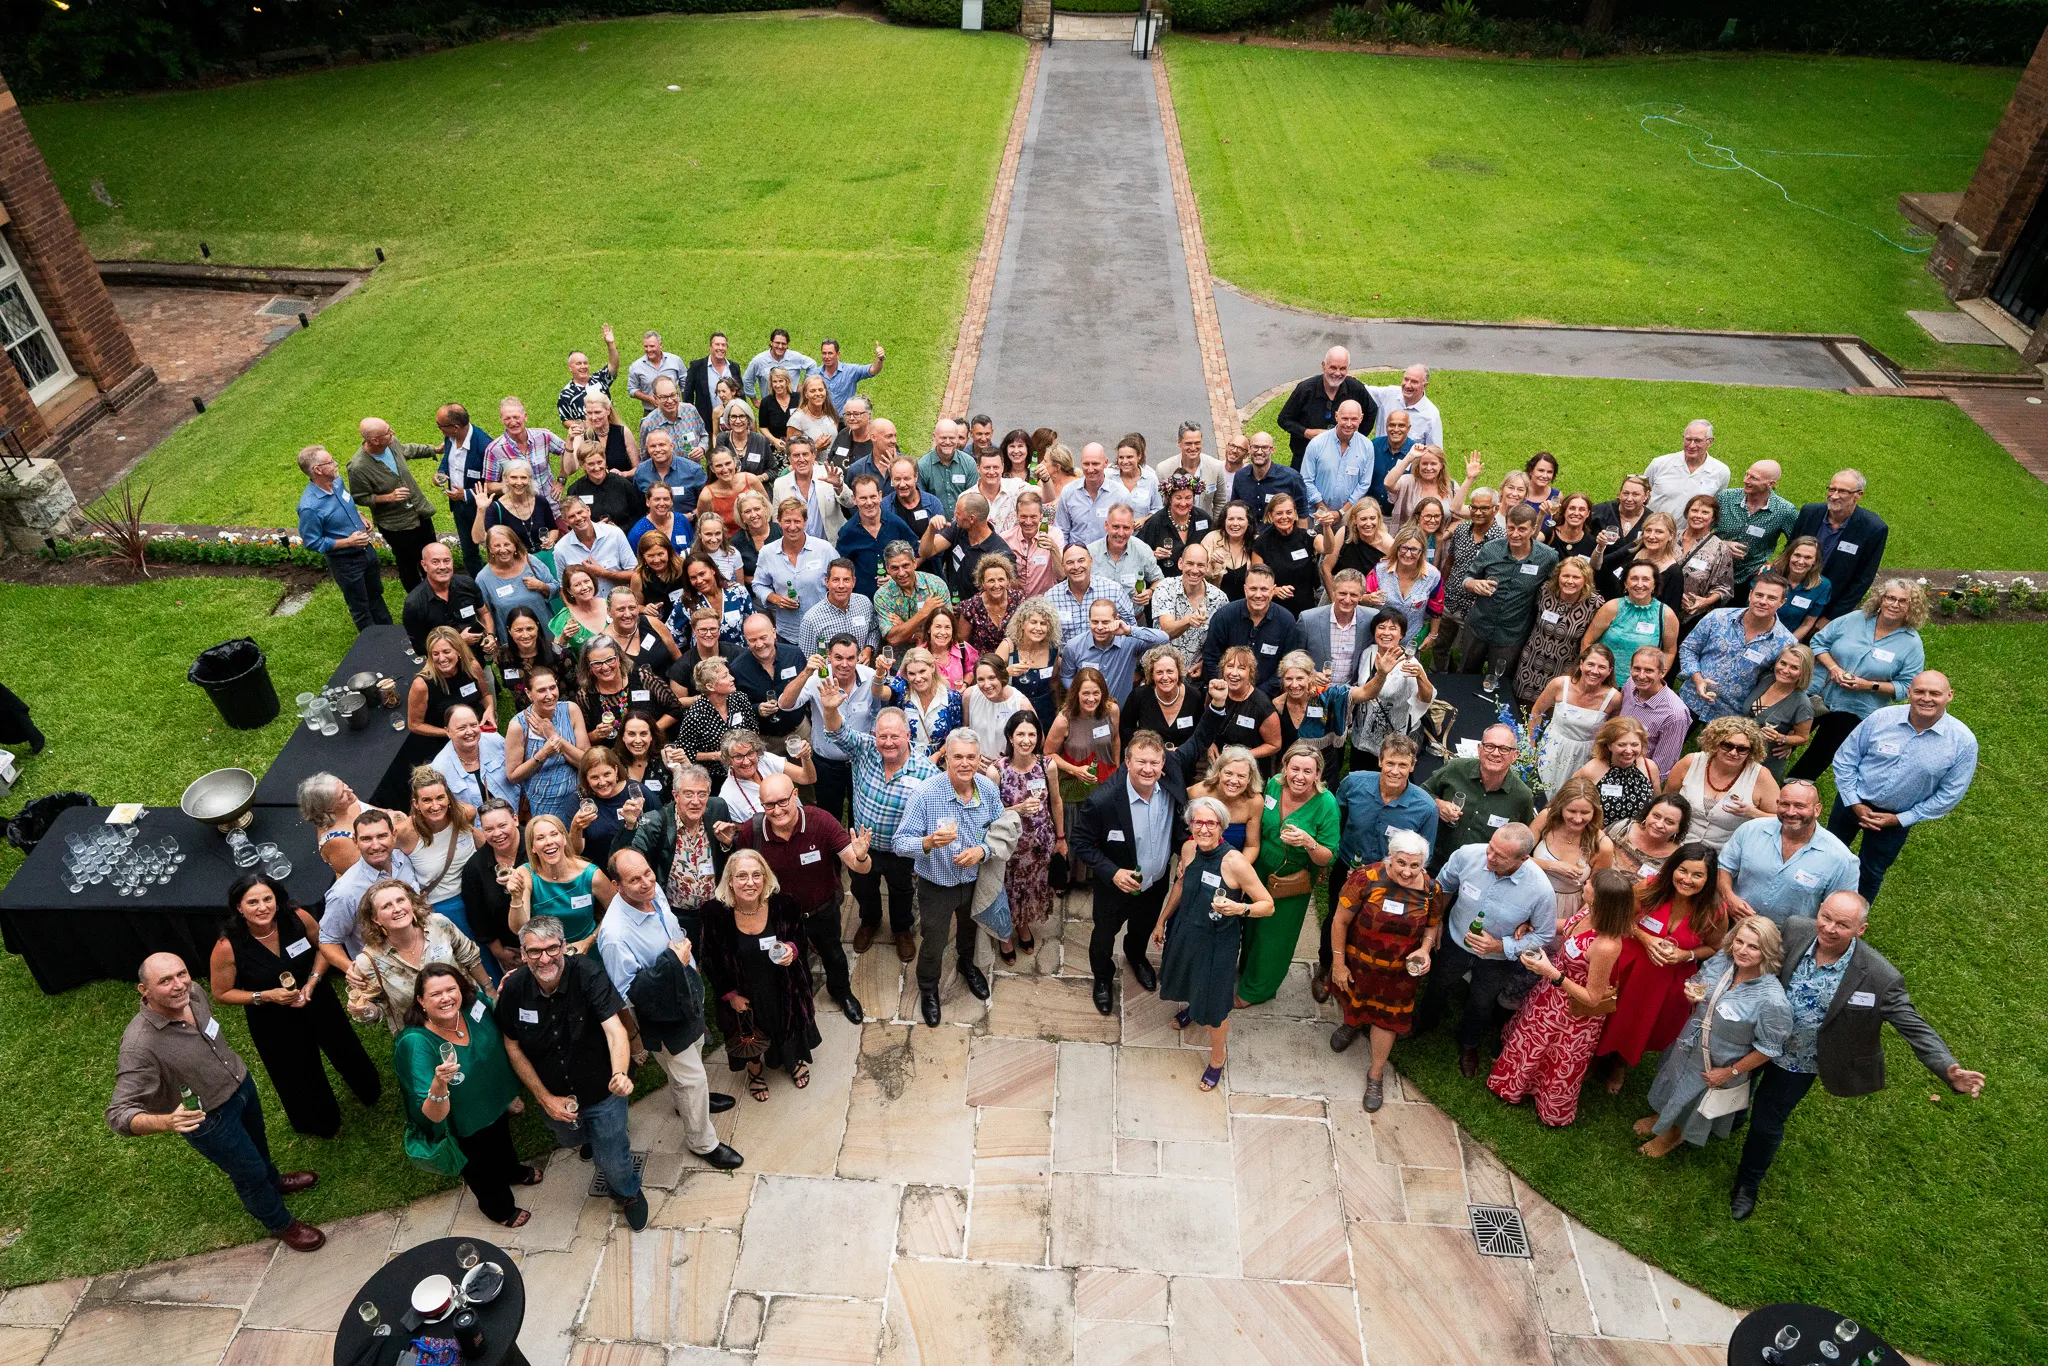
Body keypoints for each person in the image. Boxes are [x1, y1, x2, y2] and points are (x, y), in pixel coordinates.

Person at [1729, 893, 1984, 1218]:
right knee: (1737, 1085)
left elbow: (1913, 1026)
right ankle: (1734, 1116)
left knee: (1767, 1124)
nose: (1830, 928)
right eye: (1827, 918)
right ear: (1819, 912)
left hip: (1800, 1062)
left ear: (1861, 930)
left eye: (1843, 925)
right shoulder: (1796, 929)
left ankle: (1747, 1184)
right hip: (1757, 1039)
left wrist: (1948, 1068)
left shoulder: (1878, 976)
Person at [107, 954, 326, 1251]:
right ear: (143, 990)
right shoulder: (140, 1045)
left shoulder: (194, 993)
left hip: (241, 1086)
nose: (178, 985)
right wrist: (167, 1121)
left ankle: (274, 1181)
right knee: (248, 1174)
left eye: (181, 974)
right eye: (165, 981)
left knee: (259, 1147)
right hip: (211, 1120)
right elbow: (119, 1114)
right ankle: (281, 1224)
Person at [209, 872, 380, 1138]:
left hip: (317, 999)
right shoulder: (227, 946)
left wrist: (312, 982)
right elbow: (221, 992)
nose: (262, 907)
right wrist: (265, 996)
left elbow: (325, 946)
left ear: (277, 900)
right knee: (296, 1071)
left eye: (268, 899)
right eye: (252, 902)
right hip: (272, 1019)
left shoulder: (298, 918)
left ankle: (369, 1090)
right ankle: (320, 1122)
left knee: (344, 1046)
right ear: (239, 908)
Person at [1067, 721, 1214, 1016]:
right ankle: (1103, 978)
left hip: (1156, 882)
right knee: (1104, 935)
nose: (1148, 769)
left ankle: (1136, 957)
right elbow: (1080, 841)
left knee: (1144, 926)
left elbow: (1200, 739)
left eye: (1154, 763)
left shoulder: (1171, 776)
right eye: (1141, 762)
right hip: (1116, 887)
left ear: (1164, 764)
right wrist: (1112, 872)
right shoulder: (1103, 800)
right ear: (1127, 762)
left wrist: (1217, 707)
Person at [722, 772, 873, 1024]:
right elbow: (741, 873)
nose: (777, 810)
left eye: (783, 801)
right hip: (781, 917)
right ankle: (801, 1000)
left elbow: (859, 867)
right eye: (769, 805)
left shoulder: (821, 821)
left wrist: (860, 857)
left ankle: (841, 992)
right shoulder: (753, 831)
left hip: (822, 908)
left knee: (833, 954)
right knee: (792, 961)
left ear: (795, 795)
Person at [1636, 914, 1790, 1157]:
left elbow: (1768, 1049)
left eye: (1753, 947)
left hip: (1719, 1061)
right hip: (1690, 1041)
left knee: (1694, 1098)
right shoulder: (1725, 961)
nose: (1742, 951)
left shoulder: (1772, 1000)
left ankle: (1673, 1134)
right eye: (1739, 941)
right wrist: (1692, 993)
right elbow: (1700, 980)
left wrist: (1730, 1073)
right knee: (1675, 1078)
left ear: (1768, 951)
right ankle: (1662, 1116)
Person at [1488, 868, 1632, 1126]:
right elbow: (1568, 925)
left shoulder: (1607, 945)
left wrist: (1551, 973)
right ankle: (1516, 1084)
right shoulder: (1589, 911)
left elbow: (1592, 997)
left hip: (1572, 1016)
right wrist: (1536, 925)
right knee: (1533, 1042)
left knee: (1557, 1058)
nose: (1585, 883)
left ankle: (1548, 1104)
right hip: (1549, 997)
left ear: (1599, 898)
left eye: (1590, 883)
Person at [395, 964, 536, 1229]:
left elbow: (505, 1021)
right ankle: (498, 1208)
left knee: (501, 1138)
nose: (446, 998)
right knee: (480, 1165)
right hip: (463, 1122)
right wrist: (439, 1083)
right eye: (436, 994)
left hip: (495, 1100)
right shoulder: (416, 1043)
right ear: (421, 1000)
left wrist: (506, 995)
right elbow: (431, 1113)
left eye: (451, 989)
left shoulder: (474, 1007)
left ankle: (512, 1171)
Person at [1152, 796, 1276, 1091]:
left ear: (1221, 825)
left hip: (1218, 941)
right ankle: (1194, 1007)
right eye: (1198, 822)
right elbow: (1181, 884)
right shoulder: (1189, 848)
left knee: (1215, 1005)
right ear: (1190, 825)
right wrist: (1161, 921)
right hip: (1186, 929)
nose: (1204, 828)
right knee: (1187, 977)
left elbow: (1267, 905)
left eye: (1211, 823)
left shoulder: (1235, 862)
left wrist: (1240, 909)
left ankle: (1218, 1056)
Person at [1824, 670, 1977, 904]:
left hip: (1895, 820)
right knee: (1827, 856)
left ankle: (1849, 922)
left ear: (1950, 696)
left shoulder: (1962, 742)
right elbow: (1846, 758)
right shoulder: (1881, 718)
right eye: (1920, 691)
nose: (1926, 698)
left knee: (1870, 873)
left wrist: (1900, 819)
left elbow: (1950, 794)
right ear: (1909, 693)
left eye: (1935, 693)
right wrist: (1854, 802)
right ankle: (1812, 900)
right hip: (1850, 802)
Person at [892, 731, 1009, 1026]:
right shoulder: (925, 794)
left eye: (971, 757)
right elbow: (899, 843)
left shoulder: (988, 790)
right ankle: (928, 989)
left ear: (979, 759)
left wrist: (981, 851)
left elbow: (1001, 830)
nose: (965, 763)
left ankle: (967, 966)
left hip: (974, 880)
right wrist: (928, 842)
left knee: (971, 931)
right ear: (946, 759)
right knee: (934, 941)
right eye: (958, 756)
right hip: (937, 885)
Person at [1598, 841, 1730, 1094]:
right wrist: (1645, 938)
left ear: (1708, 878)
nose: (1687, 879)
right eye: (1683, 870)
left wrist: (1686, 954)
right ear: (1672, 869)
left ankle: (1620, 1064)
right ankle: (1594, 1056)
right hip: (1629, 966)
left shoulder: (1714, 910)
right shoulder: (1649, 888)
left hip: (1668, 978)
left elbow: (1715, 947)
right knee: (1609, 1011)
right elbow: (1622, 918)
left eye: (1697, 875)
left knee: (1642, 1022)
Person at [1425, 823, 1557, 1075]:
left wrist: (1501, 946)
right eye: (1490, 848)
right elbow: (1443, 887)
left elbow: (1545, 933)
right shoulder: (1467, 855)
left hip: (1498, 959)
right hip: (1455, 939)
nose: (1490, 858)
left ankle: (1469, 1044)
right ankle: (1426, 1021)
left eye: (1500, 856)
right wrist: (1437, 921)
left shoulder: (1540, 890)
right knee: (1437, 983)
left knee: (1482, 1001)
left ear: (1523, 859)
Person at [1327, 830, 1441, 1110]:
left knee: (1387, 1020)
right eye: (1401, 863)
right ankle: (1351, 1024)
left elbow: (1432, 925)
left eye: (1415, 865)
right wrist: (1338, 964)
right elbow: (1340, 921)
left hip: (1399, 975)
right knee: (1354, 999)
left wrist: (1425, 949)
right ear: (1391, 857)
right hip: (1360, 963)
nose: (1407, 871)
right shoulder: (1367, 878)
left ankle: (1375, 1073)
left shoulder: (1430, 889)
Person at [699, 848, 823, 1102]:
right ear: (730, 881)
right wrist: (730, 994)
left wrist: (793, 949)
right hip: (743, 991)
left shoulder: (784, 903)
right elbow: (710, 958)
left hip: (783, 985)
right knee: (749, 1034)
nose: (750, 882)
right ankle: (755, 1072)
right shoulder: (715, 912)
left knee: (786, 1025)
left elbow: (798, 935)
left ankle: (792, 1061)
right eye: (742, 876)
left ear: (765, 878)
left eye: (757, 875)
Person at [1789, 579, 1929, 784]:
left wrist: (1868, 686)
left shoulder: (1912, 643)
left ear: (1911, 607)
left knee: (1823, 752)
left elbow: (1908, 686)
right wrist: (1834, 668)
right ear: (1881, 600)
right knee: (1788, 734)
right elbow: (1819, 642)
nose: (1895, 604)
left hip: (1856, 707)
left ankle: (1794, 788)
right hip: (1818, 691)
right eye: (1890, 598)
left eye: (1903, 601)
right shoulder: (1855, 619)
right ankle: (1759, 775)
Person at [1238, 743, 1340, 1007]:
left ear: (1318, 774)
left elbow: (1327, 855)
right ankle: (1246, 970)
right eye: (1294, 768)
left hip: (1292, 877)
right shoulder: (1272, 785)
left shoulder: (1326, 804)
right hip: (1260, 865)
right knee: (1251, 924)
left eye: (1308, 771)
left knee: (1275, 935)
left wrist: (1308, 842)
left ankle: (1256, 990)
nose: (1300, 776)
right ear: (1284, 768)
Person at [344, 878, 492, 1032]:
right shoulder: (369, 962)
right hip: (424, 1035)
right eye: (387, 906)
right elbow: (376, 1010)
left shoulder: (439, 925)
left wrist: (489, 991)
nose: (397, 909)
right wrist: (364, 1010)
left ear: (411, 903)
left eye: (400, 900)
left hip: (469, 1013)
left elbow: (470, 957)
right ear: (375, 919)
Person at [1716, 780, 1859, 930]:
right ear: (1777, 804)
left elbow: (1842, 911)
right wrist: (1729, 897)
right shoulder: (1750, 830)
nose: (1791, 812)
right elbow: (1724, 866)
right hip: (1734, 924)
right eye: (1785, 804)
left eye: (1799, 806)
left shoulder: (1841, 859)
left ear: (1817, 810)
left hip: (1790, 940)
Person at [625, 761, 734, 942]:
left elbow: (730, 858)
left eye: (702, 794)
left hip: (715, 910)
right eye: (688, 794)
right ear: (676, 795)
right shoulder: (655, 822)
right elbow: (627, 857)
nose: (696, 801)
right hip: (676, 913)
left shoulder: (718, 809)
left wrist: (727, 845)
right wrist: (629, 826)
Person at [296, 444, 391, 630]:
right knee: (360, 607)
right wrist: (349, 542)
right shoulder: (309, 507)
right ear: (317, 470)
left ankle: (391, 634)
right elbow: (312, 542)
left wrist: (360, 516)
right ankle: (373, 646)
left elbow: (348, 506)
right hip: (346, 564)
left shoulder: (337, 482)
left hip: (366, 552)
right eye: (330, 462)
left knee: (375, 595)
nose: (336, 463)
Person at [1679, 573, 1796, 723]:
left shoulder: (1785, 643)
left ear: (1782, 602)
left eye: (1771, 598)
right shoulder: (1718, 617)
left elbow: (1777, 683)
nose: (1763, 601)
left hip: (1733, 715)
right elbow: (1689, 648)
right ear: (1750, 594)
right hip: (1692, 697)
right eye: (1759, 595)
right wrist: (1697, 679)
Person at [1421, 723, 1537, 866]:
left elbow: (1522, 839)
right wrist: (1437, 804)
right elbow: (1421, 793)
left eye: (1504, 749)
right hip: (1433, 862)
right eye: (1489, 746)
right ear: (1479, 749)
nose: (1495, 753)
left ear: (1515, 756)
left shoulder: (1522, 796)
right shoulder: (1454, 769)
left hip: (1478, 872)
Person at [348, 416, 442, 590]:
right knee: (409, 565)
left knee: (431, 554)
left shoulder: (391, 443)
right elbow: (359, 497)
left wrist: (434, 450)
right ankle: (418, 598)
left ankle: (438, 588)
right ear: (375, 440)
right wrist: (388, 497)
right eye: (388, 432)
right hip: (397, 526)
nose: (393, 433)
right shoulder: (358, 467)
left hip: (419, 512)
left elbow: (406, 450)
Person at [1789, 469, 1886, 625]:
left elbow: (1863, 578)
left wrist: (1832, 617)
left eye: (1842, 491)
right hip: (1791, 596)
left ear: (1859, 495)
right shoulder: (1810, 512)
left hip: (1829, 607)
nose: (1834, 495)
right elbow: (1790, 550)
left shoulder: (1873, 529)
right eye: (1832, 489)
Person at [1666, 715, 1779, 851]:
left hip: (1723, 855)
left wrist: (1752, 813)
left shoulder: (1761, 776)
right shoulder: (1691, 762)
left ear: (1751, 751)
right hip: (1676, 843)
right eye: (1727, 745)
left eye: (1742, 749)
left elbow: (1780, 820)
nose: (1733, 753)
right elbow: (1665, 800)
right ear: (1715, 742)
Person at [399, 765, 481, 940]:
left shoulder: (466, 814)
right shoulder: (405, 833)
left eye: (440, 798)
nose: (435, 806)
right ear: (416, 804)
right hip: (445, 906)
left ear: (449, 798)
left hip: (479, 894)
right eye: (427, 800)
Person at [514, 811, 615, 953]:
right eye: (540, 838)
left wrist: (590, 939)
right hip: (548, 955)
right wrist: (516, 898)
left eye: (554, 834)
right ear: (532, 847)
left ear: (564, 838)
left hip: (588, 951)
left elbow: (617, 910)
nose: (549, 842)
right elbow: (519, 927)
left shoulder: (591, 875)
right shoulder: (526, 874)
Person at [1510, 556, 1602, 708]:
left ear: (1585, 580)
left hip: (1564, 667)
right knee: (1520, 707)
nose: (1570, 581)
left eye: (1576, 577)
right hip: (1531, 662)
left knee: (1551, 709)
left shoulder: (1594, 604)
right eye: (1565, 575)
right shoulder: (1545, 591)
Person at [1529, 645, 1621, 795]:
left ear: (1609, 671)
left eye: (1602, 667)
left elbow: (1612, 734)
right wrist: (1532, 747)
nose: (1595, 671)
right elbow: (1537, 712)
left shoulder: (1614, 699)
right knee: (1539, 792)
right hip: (1552, 748)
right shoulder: (1560, 684)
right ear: (1581, 664)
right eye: (1591, 664)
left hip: (1584, 756)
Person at [1200, 565, 1300, 689]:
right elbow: (1210, 659)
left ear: (1273, 590)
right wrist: (1226, 689)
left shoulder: (1286, 621)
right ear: (1245, 589)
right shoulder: (1224, 617)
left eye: (1264, 589)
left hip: (1267, 698)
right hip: (1225, 693)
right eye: (1253, 589)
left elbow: (1287, 666)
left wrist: (1258, 697)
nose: (1258, 595)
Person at [1434, 485, 1502, 665]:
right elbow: (1450, 561)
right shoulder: (1461, 531)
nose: (1478, 512)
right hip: (1450, 599)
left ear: (1496, 509)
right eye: (1474, 507)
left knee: (1469, 654)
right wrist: (1441, 588)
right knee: (1440, 645)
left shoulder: (1501, 540)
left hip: (1475, 608)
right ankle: (1439, 675)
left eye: (1484, 508)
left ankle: (1462, 684)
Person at [460, 798, 526, 981]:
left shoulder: (536, 843)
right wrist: (500, 953)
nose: (497, 834)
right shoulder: (475, 867)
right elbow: (477, 917)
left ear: (515, 819)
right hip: (514, 952)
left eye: (502, 825)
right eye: (488, 829)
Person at [1277, 346, 1375, 464]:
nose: (1337, 373)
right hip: (1305, 458)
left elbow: (1372, 410)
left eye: (1342, 368)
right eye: (1333, 367)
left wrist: (1355, 438)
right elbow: (1284, 419)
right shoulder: (1305, 389)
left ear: (1348, 369)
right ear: (1323, 365)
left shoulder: (1355, 388)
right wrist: (1307, 432)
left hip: (1342, 459)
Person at [1582, 561, 1677, 682]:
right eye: (1634, 579)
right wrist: (1591, 673)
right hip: (1603, 681)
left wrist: (1657, 677)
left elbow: (1669, 651)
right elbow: (1587, 642)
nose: (1639, 584)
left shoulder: (1666, 614)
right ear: (1626, 583)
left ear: (1654, 585)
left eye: (1646, 579)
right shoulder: (1611, 608)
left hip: (1641, 684)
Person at [402, 543, 493, 659]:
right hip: (445, 665)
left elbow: (484, 613)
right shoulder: (414, 604)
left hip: (477, 656)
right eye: (435, 562)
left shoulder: (467, 584)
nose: (442, 567)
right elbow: (420, 648)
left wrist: (490, 635)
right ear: (424, 565)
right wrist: (458, 641)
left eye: (446, 561)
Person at [1715, 459, 1797, 586]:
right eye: (1747, 474)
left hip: (1751, 577)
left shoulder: (1784, 511)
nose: (1746, 480)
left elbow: (1797, 542)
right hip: (1714, 569)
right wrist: (1722, 544)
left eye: (1754, 478)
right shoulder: (1725, 498)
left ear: (1770, 484)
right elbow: (1700, 529)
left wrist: (1776, 564)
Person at [434, 402, 494, 574]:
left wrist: (466, 494)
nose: (440, 429)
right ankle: (477, 585)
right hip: (460, 507)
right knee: (469, 551)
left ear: (455, 427)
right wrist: (441, 473)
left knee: (495, 548)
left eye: (441, 426)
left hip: (482, 507)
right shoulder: (451, 437)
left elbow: (495, 483)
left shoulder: (485, 447)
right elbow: (447, 460)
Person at [1574, 716, 1661, 828]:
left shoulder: (1649, 767)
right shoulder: (1591, 770)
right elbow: (1567, 801)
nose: (1629, 751)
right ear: (1609, 745)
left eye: (1634, 745)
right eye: (1621, 744)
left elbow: (1657, 805)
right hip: (1600, 837)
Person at [1745, 644, 1815, 780]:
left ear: (1804, 673)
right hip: (1739, 752)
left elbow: (1803, 737)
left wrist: (1782, 738)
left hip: (1763, 763)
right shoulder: (1766, 679)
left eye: (1794, 668)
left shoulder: (1802, 704)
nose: (1785, 670)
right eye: (1783, 663)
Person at [1617, 646, 1688, 780]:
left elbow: (1662, 766)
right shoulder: (1630, 684)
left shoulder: (1674, 714)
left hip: (1636, 776)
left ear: (1662, 672)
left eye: (1649, 670)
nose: (1641, 676)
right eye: (1637, 669)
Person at [1300, 398, 1376, 517]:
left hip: (1347, 516)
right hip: (1316, 514)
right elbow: (1306, 479)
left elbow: (1364, 484)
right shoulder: (1317, 443)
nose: (1349, 424)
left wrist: (1341, 513)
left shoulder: (1367, 446)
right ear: (1336, 416)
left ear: (1361, 418)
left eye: (1354, 419)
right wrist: (1323, 511)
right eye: (1344, 418)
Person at [1641, 419, 1730, 519]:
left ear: (1709, 442)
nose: (1691, 445)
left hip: (1691, 533)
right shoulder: (1659, 464)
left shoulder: (1721, 472)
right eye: (1688, 439)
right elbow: (1641, 494)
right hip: (1655, 531)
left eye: (1698, 440)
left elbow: (1715, 506)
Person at [475, 524, 559, 629]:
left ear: (515, 545)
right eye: (497, 546)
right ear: (490, 549)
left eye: (507, 544)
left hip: (545, 634)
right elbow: (485, 614)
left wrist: (542, 586)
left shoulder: (530, 561)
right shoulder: (483, 579)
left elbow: (556, 589)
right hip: (511, 641)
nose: (503, 550)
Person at [1250, 494, 1321, 609]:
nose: (1284, 517)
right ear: (1270, 515)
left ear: (1295, 513)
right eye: (1279, 513)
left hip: (1306, 607)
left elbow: (1328, 548)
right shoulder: (1261, 543)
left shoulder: (1307, 537)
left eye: (1289, 512)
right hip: (1274, 608)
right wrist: (1275, 590)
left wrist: (1327, 527)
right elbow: (1256, 579)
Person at [1229, 431, 1312, 527]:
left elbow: (1302, 514)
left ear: (1272, 450)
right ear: (1249, 449)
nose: (1259, 452)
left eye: (1264, 447)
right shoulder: (1240, 476)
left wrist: (1300, 540)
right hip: (1248, 537)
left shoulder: (1291, 478)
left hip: (1280, 538)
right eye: (1255, 447)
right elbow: (1234, 509)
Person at [1153, 420, 1230, 521]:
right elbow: (1159, 505)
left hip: (1204, 528)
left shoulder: (1215, 467)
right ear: (1179, 443)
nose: (1193, 448)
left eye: (1197, 443)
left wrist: (1214, 528)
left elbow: (1220, 502)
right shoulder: (1164, 469)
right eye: (1188, 443)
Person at [1363, 362, 1443, 447]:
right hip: (1380, 458)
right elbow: (1362, 391)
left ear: (1425, 386)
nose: (1408, 385)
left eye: (1414, 382)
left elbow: (1435, 451)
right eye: (1406, 379)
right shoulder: (1388, 394)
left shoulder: (1431, 415)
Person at [1768, 537, 1830, 641]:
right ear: (1790, 555)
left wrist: (1786, 645)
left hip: (1790, 638)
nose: (1801, 561)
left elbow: (1807, 623)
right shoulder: (1769, 574)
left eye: (1808, 557)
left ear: (1815, 561)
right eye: (1797, 555)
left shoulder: (1822, 586)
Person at [1201, 500, 1256, 603]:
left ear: (1248, 522)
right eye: (1230, 519)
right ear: (1224, 521)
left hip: (1248, 607)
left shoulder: (1256, 542)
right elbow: (1197, 576)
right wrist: (1210, 564)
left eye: (1240, 519)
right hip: (1215, 606)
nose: (1235, 523)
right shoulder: (1212, 539)